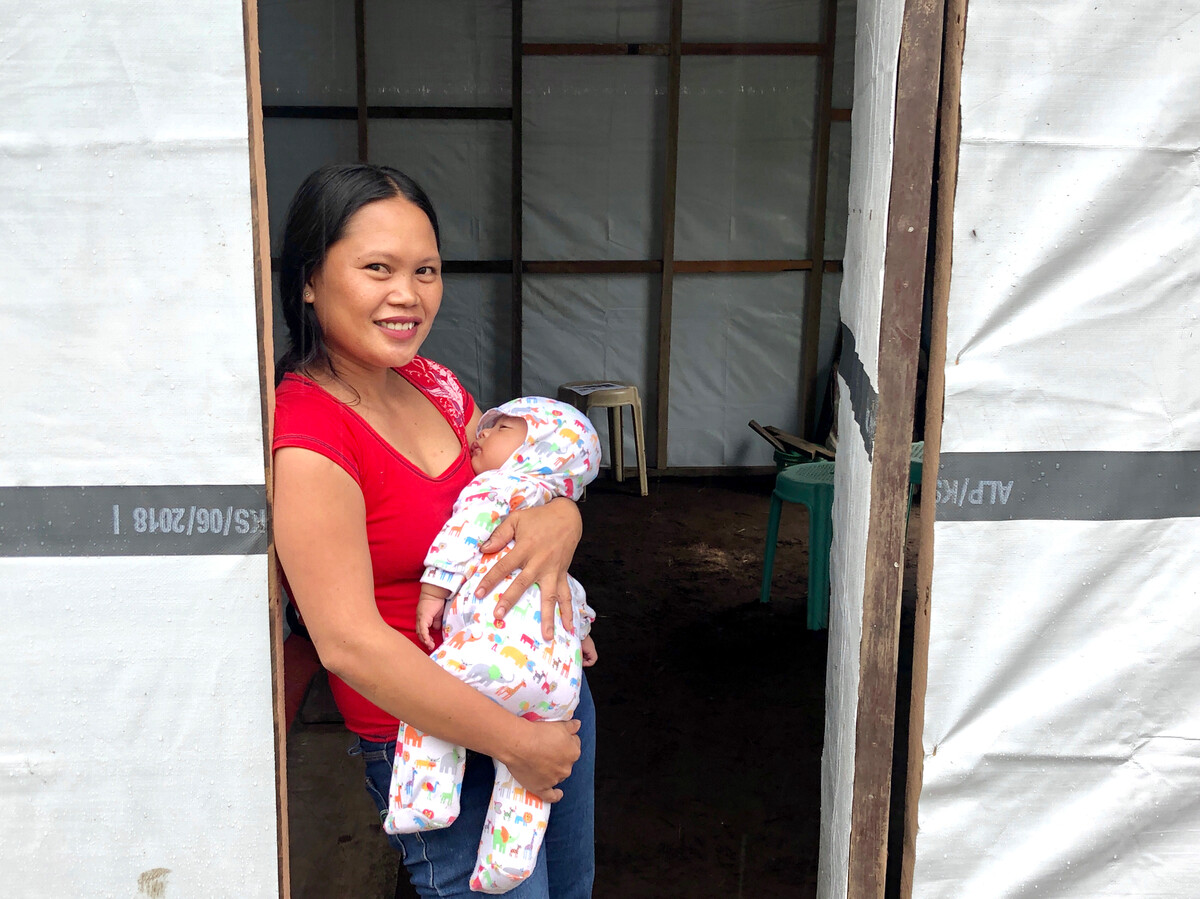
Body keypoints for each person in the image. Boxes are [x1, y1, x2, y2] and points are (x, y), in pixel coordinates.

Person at [270, 163, 595, 898]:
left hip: (544, 698)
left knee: (571, 889)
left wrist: (565, 519)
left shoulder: (434, 385)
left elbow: (522, 482)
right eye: (377, 268)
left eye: (426, 270)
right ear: (311, 280)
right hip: (435, 738)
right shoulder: (309, 432)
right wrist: (518, 744)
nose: (407, 295)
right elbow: (347, 642)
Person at [384, 397, 602, 893]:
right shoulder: (537, 498)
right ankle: (508, 856)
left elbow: (460, 536)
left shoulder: (493, 487)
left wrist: (435, 588)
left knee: (431, 689)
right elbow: (567, 589)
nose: (479, 435)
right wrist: (583, 633)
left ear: (536, 453)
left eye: (502, 428)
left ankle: (425, 797)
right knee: (529, 786)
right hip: (556, 682)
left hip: (493, 658)